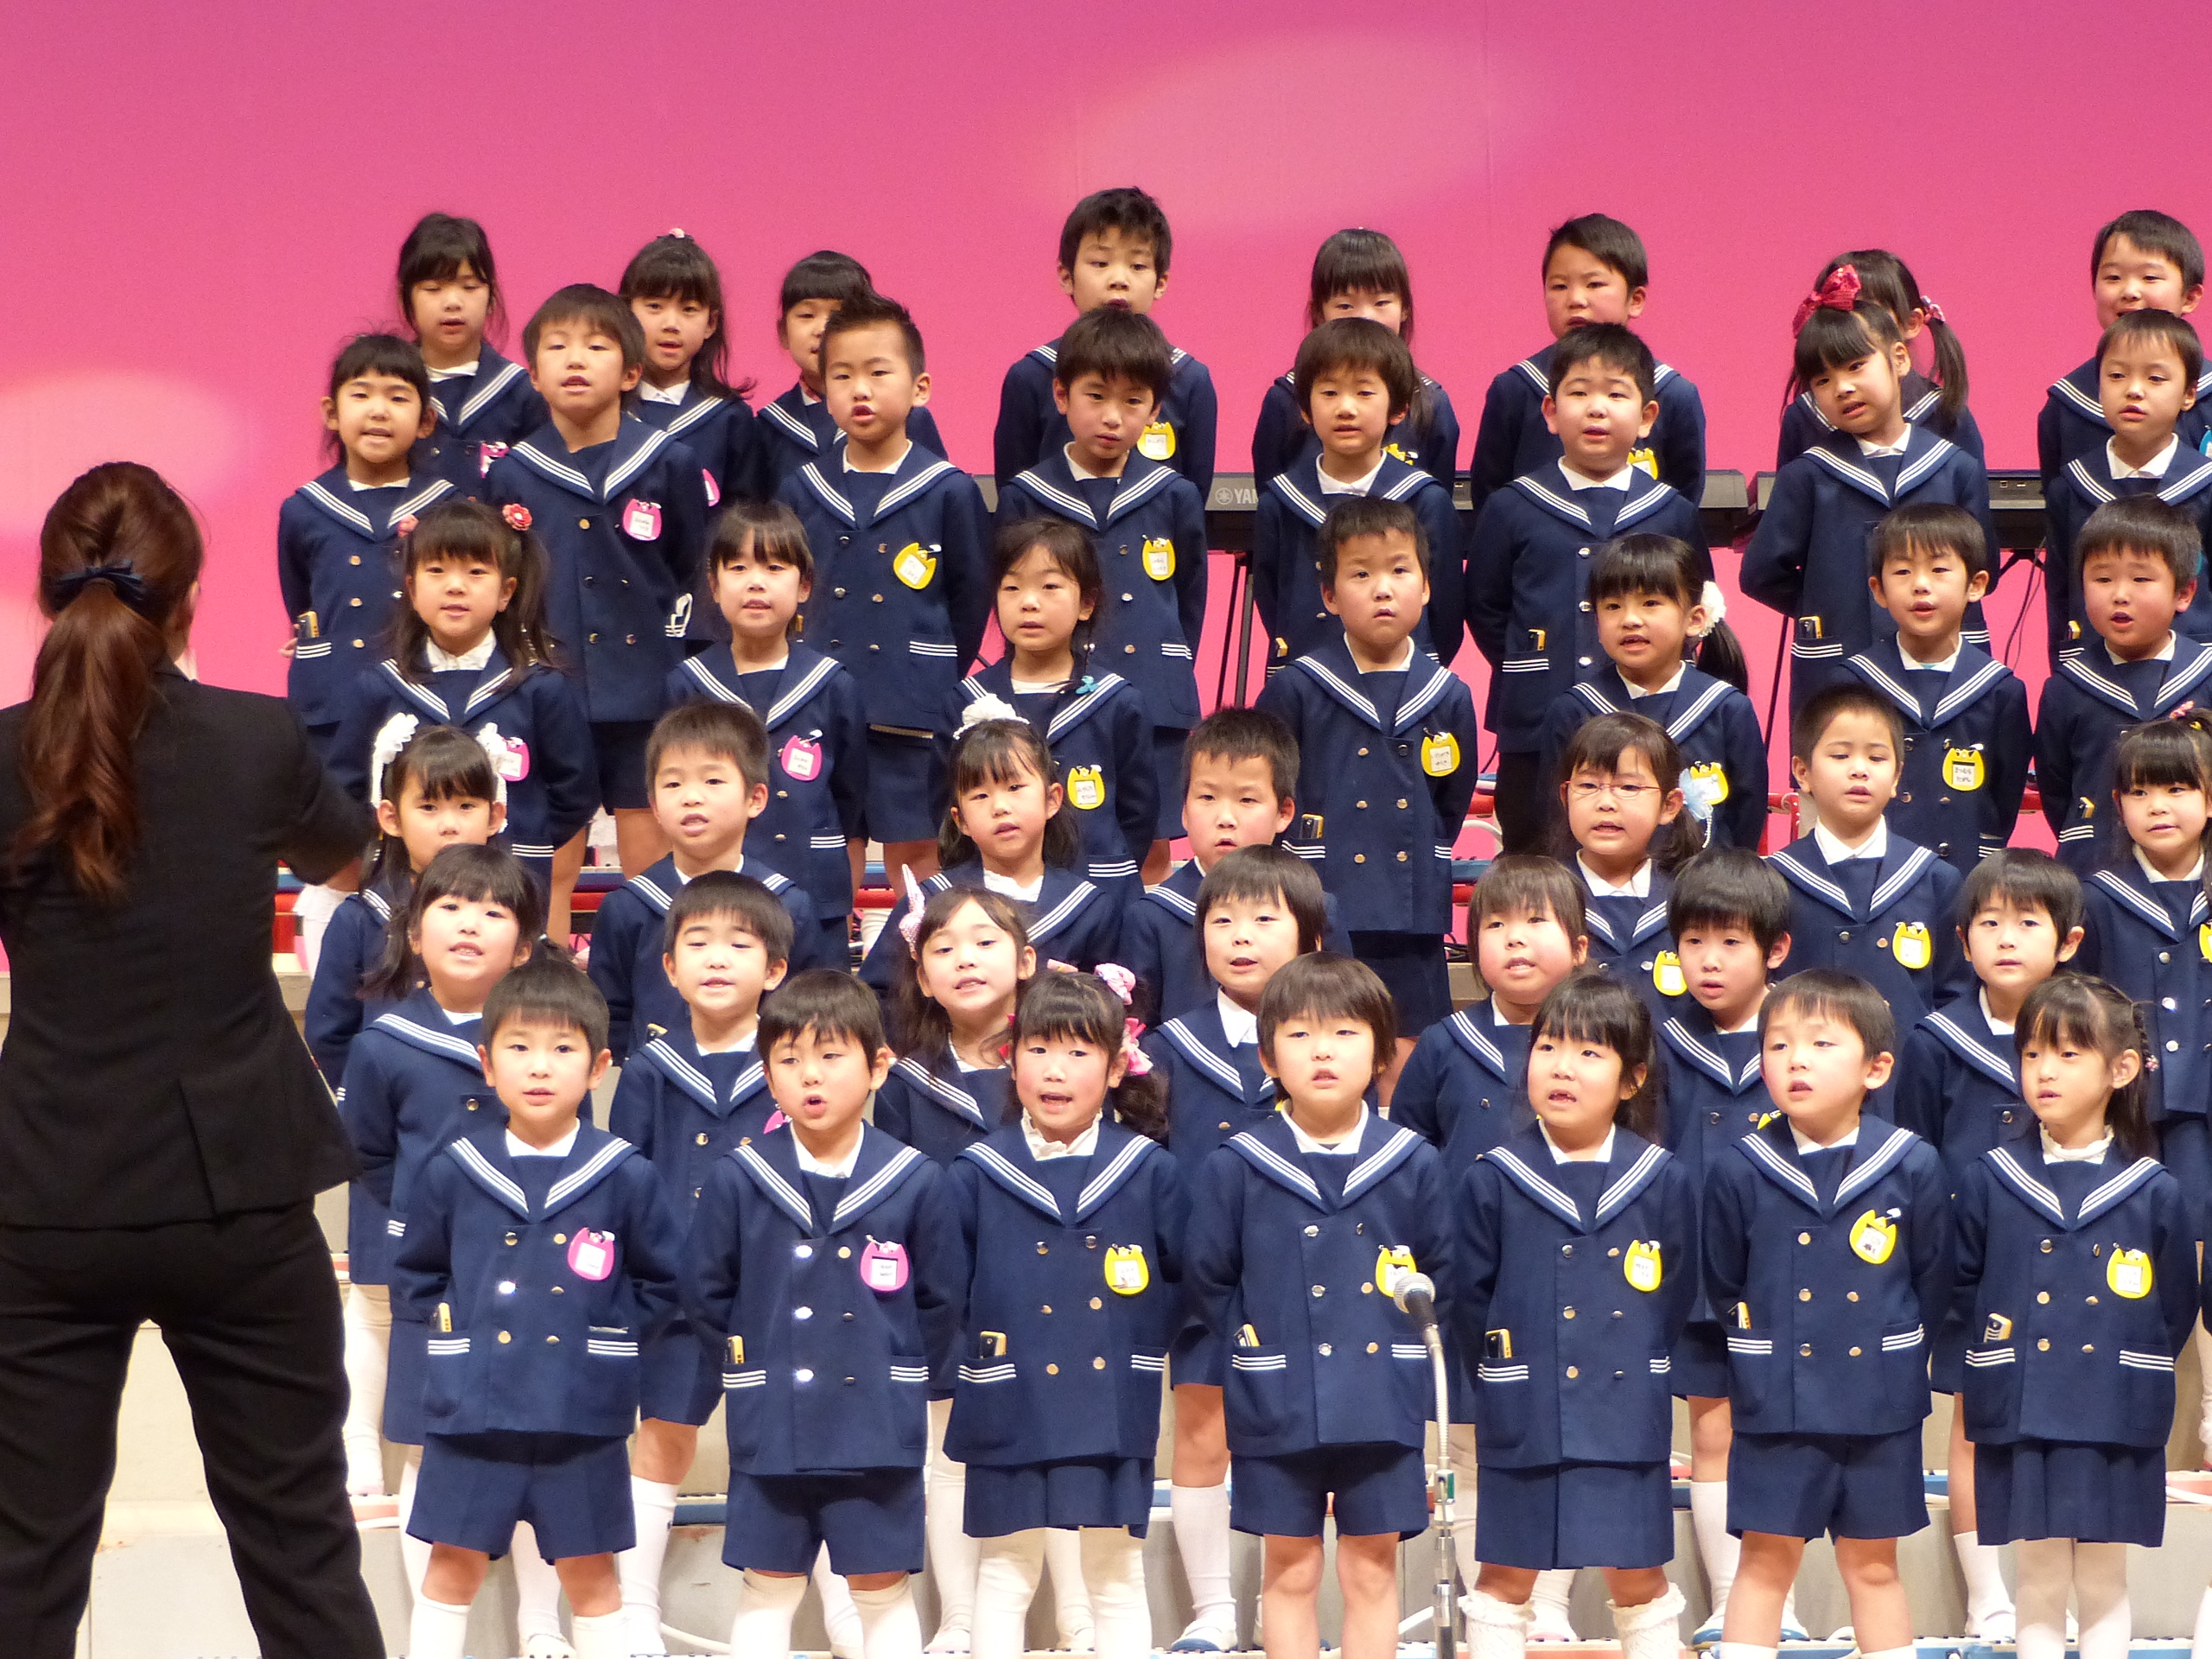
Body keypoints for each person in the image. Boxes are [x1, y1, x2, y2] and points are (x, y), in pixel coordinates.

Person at [0, 461, 380, 1658]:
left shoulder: (5, 754)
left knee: (23, 1561)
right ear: (190, 597)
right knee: (300, 1546)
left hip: (48, 1197)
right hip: (240, 1193)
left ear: (49, 594)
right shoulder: (255, 738)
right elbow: (349, 859)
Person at [393, 955, 683, 1659]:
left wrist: (604, 1340)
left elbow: (662, 1284)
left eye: (562, 1049)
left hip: (581, 1413)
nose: (539, 1067)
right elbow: (418, 1277)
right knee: (451, 1566)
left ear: (599, 1066)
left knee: (591, 1573)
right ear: (487, 1065)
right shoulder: (454, 1168)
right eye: (519, 1047)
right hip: (473, 1412)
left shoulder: (625, 1173)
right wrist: (460, 1341)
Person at [686, 970, 963, 1659]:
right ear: (767, 1076)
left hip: (879, 1424)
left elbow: (939, 1302)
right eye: (789, 1059)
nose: (810, 1075)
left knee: (881, 1588)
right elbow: (707, 1295)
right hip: (771, 1421)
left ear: (878, 1067)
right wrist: (754, 1363)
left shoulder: (916, 1179)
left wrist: (893, 1369)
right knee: (768, 1587)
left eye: (832, 1055)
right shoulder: (739, 1177)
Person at [1186, 955, 1452, 1659]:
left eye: (1344, 1032)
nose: (1323, 1051)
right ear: (1268, 1056)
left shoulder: (1413, 1162)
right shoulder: (1238, 1163)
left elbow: (1442, 1275)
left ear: (1383, 1053)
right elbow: (1211, 1281)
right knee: (1291, 1567)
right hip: (1276, 1396)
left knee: (1372, 1567)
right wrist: (1254, 1349)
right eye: (1300, 1035)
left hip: (1383, 1397)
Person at [1703, 970, 1952, 1659]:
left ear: (1877, 1068)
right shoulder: (1741, 1168)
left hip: (1880, 1401)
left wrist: (1897, 1347)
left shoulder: (1913, 1164)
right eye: (1778, 1045)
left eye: (1820, 1043)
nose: (1796, 1061)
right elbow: (1724, 1283)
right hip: (1776, 1402)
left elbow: (1931, 1282)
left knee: (1873, 1566)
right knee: (1764, 1562)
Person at [1453, 973, 1695, 1659]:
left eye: (1589, 1053)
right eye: (1549, 1048)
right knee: (1504, 1578)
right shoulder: (1493, 1177)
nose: (1563, 1067)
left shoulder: (1662, 1179)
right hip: (1526, 1409)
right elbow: (1470, 1303)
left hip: (1625, 1412)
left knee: (1639, 1578)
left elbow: (1674, 1294)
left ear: (1632, 1079)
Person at [1955, 976, 2196, 1659]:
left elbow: (2175, 1306)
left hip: (2114, 1408)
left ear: (2121, 1070)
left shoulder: (2153, 1191)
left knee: (2102, 1576)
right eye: (2032, 1054)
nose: (2044, 1071)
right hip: (2022, 1407)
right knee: (2036, 1576)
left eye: (2067, 1054)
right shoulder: (1989, 1178)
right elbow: (1964, 1289)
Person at [340, 847, 549, 1635]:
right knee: (428, 1452)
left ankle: (544, 1628)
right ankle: (433, 1639)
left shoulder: (543, 1040)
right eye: (451, 907)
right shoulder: (385, 1043)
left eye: (494, 912)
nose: (470, 924)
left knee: (541, 1446)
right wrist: (426, 1225)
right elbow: (369, 1154)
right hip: (433, 1288)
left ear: (524, 947)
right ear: (413, 932)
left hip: (535, 1277)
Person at [947, 970, 1183, 1659]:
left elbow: (1181, 1282)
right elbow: (947, 1292)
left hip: (1112, 1401)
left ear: (1116, 1068)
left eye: (1079, 1052)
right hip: (1008, 1398)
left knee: (1115, 1571)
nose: (1056, 1070)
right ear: (1010, 1059)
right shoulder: (976, 1172)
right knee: (1007, 1568)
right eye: (1040, 1049)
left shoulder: (1147, 1170)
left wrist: (1139, 1346)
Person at [1140, 845, 1331, 1653]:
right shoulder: (1166, 1049)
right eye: (1221, 921)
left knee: (1298, 1441)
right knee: (1201, 1432)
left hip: (1310, 1278)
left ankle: (1283, 1606)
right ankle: (1213, 1609)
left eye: (1262, 919)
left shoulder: (1330, 1045)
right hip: (1204, 1282)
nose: (1240, 936)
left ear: (1310, 938)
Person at [1392, 855, 1589, 1635]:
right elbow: (1407, 1155)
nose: (1514, 939)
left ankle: (1550, 1605)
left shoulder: (1602, 1040)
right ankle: (1490, 1604)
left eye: (1537, 922)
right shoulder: (1446, 1045)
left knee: (1566, 1441)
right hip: (1469, 1283)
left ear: (1580, 946)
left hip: (1574, 1275)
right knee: (1472, 1447)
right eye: (1496, 924)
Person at [1892, 849, 2085, 1643]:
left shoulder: (2090, 1030)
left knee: (2061, 1423)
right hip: (1973, 1266)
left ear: (2068, 942)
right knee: (1975, 1423)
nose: (2007, 938)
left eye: (2028, 923)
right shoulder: (1936, 1041)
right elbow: (1911, 1152)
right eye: (1990, 923)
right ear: (1962, 939)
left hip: (2074, 1258)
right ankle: (1987, 1595)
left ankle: (2050, 1591)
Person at [606, 873, 792, 1655]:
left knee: (787, 1449)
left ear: (775, 969)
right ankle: (634, 1606)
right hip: (677, 1295)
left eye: (739, 944)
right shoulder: (650, 1070)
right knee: (664, 1436)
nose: (718, 959)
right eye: (698, 943)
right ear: (669, 968)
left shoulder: (793, 1065)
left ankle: (805, 1611)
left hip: (778, 1294)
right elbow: (625, 1182)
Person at [486, 283, 712, 877]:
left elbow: (690, 565)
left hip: (648, 687)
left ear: (632, 371)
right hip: (547, 687)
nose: (576, 359)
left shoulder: (669, 462)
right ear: (534, 376)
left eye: (596, 345)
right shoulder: (512, 475)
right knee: (549, 866)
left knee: (651, 860)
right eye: (558, 346)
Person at [776, 293, 993, 894]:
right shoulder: (801, 489)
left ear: (920, 388)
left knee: (917, 846)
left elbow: (970, 598)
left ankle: (916, 949)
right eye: (842, 376)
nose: (860, 391)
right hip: (818, 698)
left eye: (878, 372)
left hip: (913, 702)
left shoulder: (948, 490)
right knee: (825, 840)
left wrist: (934, 668)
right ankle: (830, 948)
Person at [1255, 495, 1481, 1059]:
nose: (1383, 589)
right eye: (1361, 574)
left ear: (1426, 587)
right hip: (1323, 900)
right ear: (1329, 595)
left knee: (1407, 1052)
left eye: (1400, 570)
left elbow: (1451, 801)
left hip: (1411, 911)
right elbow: (1272, 793)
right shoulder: (1296, 689)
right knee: (1320, 1044)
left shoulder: (1448, 695)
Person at [1467, 324, 1708, 850]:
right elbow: (1485, 606)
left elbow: (1696, 605)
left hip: (1649, 724)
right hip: (1535, 721)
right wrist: (1528, 660)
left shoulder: (1672, 511)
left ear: (1647, 417)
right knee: (1535, 855)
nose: (1596, 409)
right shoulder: (1511, 506)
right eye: (1578, 393)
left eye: (1616, 395)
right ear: (1550, 412)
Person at [993, 305, 1210, 875]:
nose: (1113, 417)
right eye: (1095, 396)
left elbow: (1189, 597)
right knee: (1046, 828)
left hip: (1154, 692)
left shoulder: (1174, 494)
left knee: (1152, 835)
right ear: (1061, 396)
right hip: (1052, 695)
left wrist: (1169, 662)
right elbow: (1009, 591)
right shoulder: (1027, 495)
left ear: (1155, 411)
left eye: (1133, 401)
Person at [1651, 849, 1805, 1646]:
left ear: (1776, 949)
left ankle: (1781, 1602)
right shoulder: (1662, 1043)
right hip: (1696, 1275)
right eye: (1692, 942)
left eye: (1731, 942)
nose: (1708, 961)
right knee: (1712, 1431)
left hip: (1793, 1271)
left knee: (1782, 1434)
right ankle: (1725, 1598)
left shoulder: (1807, 1039)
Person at [875, 886, 1034, 1652]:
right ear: (921, 974)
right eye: (943, 948)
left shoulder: (1055, 1062)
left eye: (984, 942)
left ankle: (1074, 1615)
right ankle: (959, 1616)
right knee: (947, 1456)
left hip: (1042, 1288)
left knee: (1051, 1450)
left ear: (1025, 960)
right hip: (943, 1299)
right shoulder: (908, 1080)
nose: (964, 959)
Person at [327, 499, 594, 927]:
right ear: (411, 590)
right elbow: (347, 788)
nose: (455, 586)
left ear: (506, 591)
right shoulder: (379, 687)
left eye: (476, 572)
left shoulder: (540, 687)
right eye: (437, 570)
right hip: (404, 890)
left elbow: (575, 793)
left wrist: (524, 834)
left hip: (510, 885)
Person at [1742, 274, 1996, 717]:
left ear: (1899, 359)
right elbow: (1760, 573)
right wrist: (1824, 602)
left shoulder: (1955, 468)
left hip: (1943, 664)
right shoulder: (1807, 475)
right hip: (1838, 665)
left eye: (1856, 366)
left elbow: (1983, 563)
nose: (1841, 388)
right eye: (1823, 380)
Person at [277, 332, 448, 963]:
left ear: (425, 420)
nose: (378, 410)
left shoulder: (449, 506)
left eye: (398, 397)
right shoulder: (304, 509)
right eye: (362, 394)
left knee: (429, 848)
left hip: (427, 702)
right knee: (339, 853)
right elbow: (303, 601)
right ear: (331, 412)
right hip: (335, 704)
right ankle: (332, 981)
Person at [665, 499, 869, 943]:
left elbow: (850, 800)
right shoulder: (688, 684)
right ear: (713, 586)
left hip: (815, 892)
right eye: (738, 568)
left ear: (804, 586)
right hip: (718, 896)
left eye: (774, 567)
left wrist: (843, 892)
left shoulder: (833, 684)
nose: (755, 582)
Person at [588, 701, 836, 1063]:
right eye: (673, 783)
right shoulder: (628, 907)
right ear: (654, 806)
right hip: (656, 1086)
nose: (691, 797)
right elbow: (609, 1020)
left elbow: (813, 1013)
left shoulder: (788, 905)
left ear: (755, 798)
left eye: (713, 781)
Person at [948, 520, 1154, 889]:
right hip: (996, 899)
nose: (1029, 602)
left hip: (1100, 893)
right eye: (1012, 587)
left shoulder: (1118, 702)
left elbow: (1138, 816)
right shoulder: (966, 701)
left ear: (1087, 603)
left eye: (1050, 587)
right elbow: (947, 809)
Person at [304, 724, 505, 1094]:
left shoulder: (513, 912)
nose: (449, 825)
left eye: (466, 806)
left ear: (494, 816)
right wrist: (370, 1103)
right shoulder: (359, 919)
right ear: (391, 818)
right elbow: (329, 1034)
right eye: (428, 807)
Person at [1251, 318, 1460, 671]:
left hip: (1404, 677)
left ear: (1399, 409)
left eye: (1364, 393)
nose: (1346, 408)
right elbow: (1272, 599)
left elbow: (1446, 610)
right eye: (1329, 393)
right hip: (1305, 676)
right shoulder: (1280, 502)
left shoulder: (1425, 500)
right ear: (1305, 409)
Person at [1467, 213, 1706, 519]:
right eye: (1559, 286)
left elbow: (1683, 503)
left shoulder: (1672, 393)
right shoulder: (1515, 388)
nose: (1576, 299)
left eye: (1594, 284)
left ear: (1635, 299)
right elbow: (1489, 499)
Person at [861, 720, 1124, 996]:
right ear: (960, 820)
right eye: (980, 795)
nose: (999, 807)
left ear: (1052, 799)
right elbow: (879, 996)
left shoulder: (1090, 908)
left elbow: (1112, 1001)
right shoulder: (931, 901)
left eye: (1014, 787)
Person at [2075, 720, 2212, 1250]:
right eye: (2139, 792)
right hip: (2129, 1112)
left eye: (2177, 789)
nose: (2157, 806)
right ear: (2117, 804)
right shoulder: (2097, 899)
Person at [1119, 708, 1349, 1025]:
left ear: (1284, 812)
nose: (1225, 818)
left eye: (1247, 800)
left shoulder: (1315, 908)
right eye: (1207, 797)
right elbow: (1135, 1033)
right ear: (1183, 810)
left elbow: (1340, 1016)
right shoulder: (1152, 917)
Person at [1537, 532, 1762, 851]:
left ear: (1695, 619)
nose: (1630, 619)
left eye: (1650, 603)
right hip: (1601, 879)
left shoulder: (1727, 709)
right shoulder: (1574, 710)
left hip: (1704, 880)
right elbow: (1555, 818)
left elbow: (1745, 820)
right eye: (1613, 606)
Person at [992, 186, 1217, 499]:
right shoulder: (1031, 376)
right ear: (1066, 276)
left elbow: (1193, 497)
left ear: (1161, 282)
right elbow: (1014, 495)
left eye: (1138, 266)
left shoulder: (1190, 379)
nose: (1119, 280)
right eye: (1100, 263)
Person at [1844, 503, 2029, 874]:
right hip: (1874, 872)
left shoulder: (2000, 690)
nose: (1920, 585)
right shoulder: (1853, 683)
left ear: (1976, 585)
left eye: (1939, 569)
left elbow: (2004, 799)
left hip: (1968, 873)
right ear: (1878, 590)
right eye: (1902, 571)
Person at [1768, 683, 1967, 1027]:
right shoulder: (1774, 880)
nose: (1859, 769)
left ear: (1897, 777)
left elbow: (1955, 998)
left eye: (1876, 758)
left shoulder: (1936, 880)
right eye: (1840, 756)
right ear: (1802, 773)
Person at [2035, 497, 2212, 874]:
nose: (2119, 594)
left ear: (2184, 593)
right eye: (2102, 579)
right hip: (2095, 869)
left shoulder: (2206, 673)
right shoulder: (2066, 687)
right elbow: (2057, 791)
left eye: (2141, 579)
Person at [2042, 308, 2212, 656]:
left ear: (2189, 394)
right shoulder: (2072, 487)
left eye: (2155, 378)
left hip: (2194, 667)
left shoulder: (2204, 484)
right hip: (2095, 665)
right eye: (2117, 375)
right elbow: (2061, 592)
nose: (2134, 390)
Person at [1251, 227, 1460, 491]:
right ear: (1319, 312)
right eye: (1345, 306)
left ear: (1405, 308)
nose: (1365, 318)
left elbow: (1437, 500)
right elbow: (1273, 497)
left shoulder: (1431, 401)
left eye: (1381, 303)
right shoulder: (1285, 398)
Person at [2037, 209, 2210, 493]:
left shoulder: (2208, 395)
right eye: (2113, 277)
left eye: (2150, 277)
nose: (2129, 291)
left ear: (2190, 296)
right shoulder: (2066, 407)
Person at [1548, 712, 1702, 1017]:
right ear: (1566, 796)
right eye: (1588, 785)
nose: (1606, 802)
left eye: (1629, 788)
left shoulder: (1691, 898)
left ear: (1669, 805)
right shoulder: (1542, 897)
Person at [755, 251, 948, 486]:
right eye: (807, 315)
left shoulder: (907, 417)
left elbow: (934, 487)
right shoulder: (768, 426)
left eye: (838, 316)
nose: (822, 329)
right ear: (783, 332)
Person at [1777, 249, 1979, 467]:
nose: (1849, 330)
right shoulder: (1805, 416)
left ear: (1911, 323)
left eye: (1870, 313)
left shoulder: (1946, 412)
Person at [397, 213, 548, 493]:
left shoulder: (522, 393)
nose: (453, 302)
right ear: (406, 297)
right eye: (433, 288)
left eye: (469, 287)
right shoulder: (392, 389)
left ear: (491, 296)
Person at [620, 228, 763, 507]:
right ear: (626, 313)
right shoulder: (605, 409)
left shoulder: (730, 418)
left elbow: (744, 516)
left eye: (688, 309)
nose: (671, 324)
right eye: (655, 306)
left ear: (711, 323)